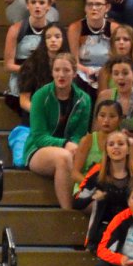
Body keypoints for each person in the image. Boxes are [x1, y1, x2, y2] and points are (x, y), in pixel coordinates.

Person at [25, 53, 93, 212]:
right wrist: (65, 144)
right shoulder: (40, 96)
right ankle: (67, 213)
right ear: (52, 72)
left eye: (66, 70)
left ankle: (90, 207)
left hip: (71, 148)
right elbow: (39, 136)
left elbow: (79, 133)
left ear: (74, 73)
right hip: (38, 149)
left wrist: (74, 144)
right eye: (57, 70)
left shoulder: (84, 99)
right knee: (64, 157)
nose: (61, 75)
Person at [3, 0, 57, 115]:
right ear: (27, 5)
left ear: (49, 6)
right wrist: (32, 70)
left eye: (42, 3)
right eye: (33, 2)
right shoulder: (16, 29)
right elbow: (8, 66)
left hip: (46, 81)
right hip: (22, 80)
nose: (37, 6)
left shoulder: (54, 30)